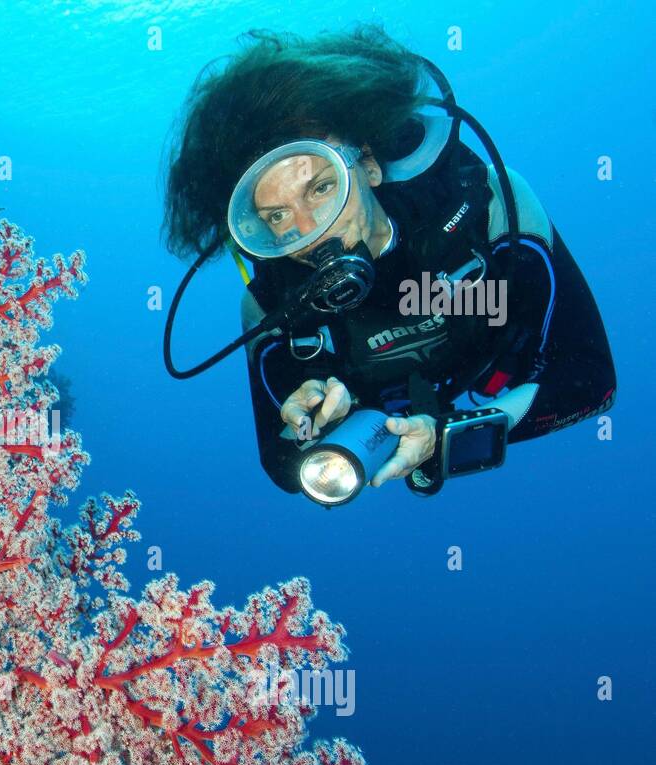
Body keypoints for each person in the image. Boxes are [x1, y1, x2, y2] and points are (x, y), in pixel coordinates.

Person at [161, 25, 616, 495]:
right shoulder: (272, 304)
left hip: (497, 370)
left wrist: (445, 441)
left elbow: (593, 379)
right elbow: (283, 466)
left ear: (369, 166)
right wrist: (311, 421)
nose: (309, 230)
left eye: (321, 187)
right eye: (277, 215)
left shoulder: (493, 207)